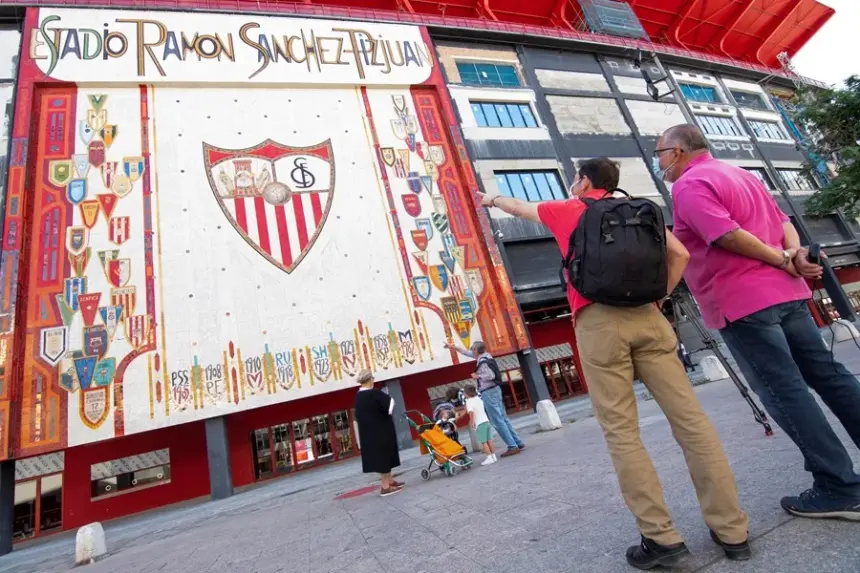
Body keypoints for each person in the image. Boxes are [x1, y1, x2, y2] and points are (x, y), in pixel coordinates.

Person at [480, 157, 750, 569]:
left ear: (584, 181)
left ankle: (663, 540)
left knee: (623, 433)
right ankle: (732, 530)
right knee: (692, 423)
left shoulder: (569, 209)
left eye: (575, 178)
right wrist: (658, 297)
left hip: (598, 323)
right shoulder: (640, 212)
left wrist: (490, 198)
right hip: (650, 318)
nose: (573, 183)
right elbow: (679, 253)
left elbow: (519, 208)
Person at [657, 123, 860, 520]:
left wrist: (785, 258)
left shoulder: (688, 185)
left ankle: (839, 486)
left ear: (678, 151)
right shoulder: (741, 174)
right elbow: (784, 221)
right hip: (787, 293)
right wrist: (794, 255)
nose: (659, 162)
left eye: (660, 153)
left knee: (784, 391)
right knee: (829, 375)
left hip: (743, 300)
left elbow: (726, 235)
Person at [444, 341, 526, 457]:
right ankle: (518, 442)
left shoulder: (483, 362)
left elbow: (491, 375)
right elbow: (465, 352)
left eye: (472, 349)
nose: (471, 350)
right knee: (503, 418)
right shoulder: (486, 356)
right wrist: (453, 347)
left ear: (476, 350)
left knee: (497, 421)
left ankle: (512, 446)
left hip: (489, 392)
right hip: (495, 390)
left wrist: (478, 376)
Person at [353, 369, 403, 497]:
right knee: (384, 457)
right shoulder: (374, 393)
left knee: (381, 457)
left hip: (369, 434)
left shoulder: (358, 396)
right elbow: (390, 404)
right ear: (370, 380)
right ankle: (385, 487)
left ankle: (390, 481)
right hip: (381, 431)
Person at [456, 384, 496, 465]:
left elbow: (471, 412)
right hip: (486, 421)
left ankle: (489, 457)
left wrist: (472, 421)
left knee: (483, 442)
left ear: (467, 393)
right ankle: (493, 456)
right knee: (489, 440)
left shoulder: (469, 401)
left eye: (464, 393)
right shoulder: (479, 399)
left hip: (480, 423)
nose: (463, 394)